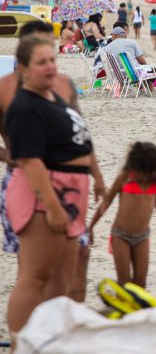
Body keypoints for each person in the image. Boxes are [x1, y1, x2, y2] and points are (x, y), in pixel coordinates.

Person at [4, 35, 106, 337]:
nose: (50, 67)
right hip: (45, 198)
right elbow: (30, 161)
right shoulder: (25, 106)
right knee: (35, 278)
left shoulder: (51, 96)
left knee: (62, 279)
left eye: (52, 60)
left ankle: (51, 341)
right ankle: (21, 343)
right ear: (23, 68)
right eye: (41, 62)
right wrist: (51, 206)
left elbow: (79, 140)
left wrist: (96, 178)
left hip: (71, 196)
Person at [89, 142, 156, 288]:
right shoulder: (124, 178)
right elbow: (106, 203)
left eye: (142, 172)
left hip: (143, 237)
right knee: (124, 282)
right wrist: (91, 227)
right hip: (120, 236)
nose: (138, 175)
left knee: (140, 283)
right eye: (136, 170)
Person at [104, 26, 156, 97]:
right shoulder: (132, 42)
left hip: (119, 75)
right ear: (124, 34)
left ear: (114, 35)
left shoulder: (107, 48)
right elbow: (142, 61)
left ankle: (152, 91)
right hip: (133, 74)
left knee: (145, 70)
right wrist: (145, 65)